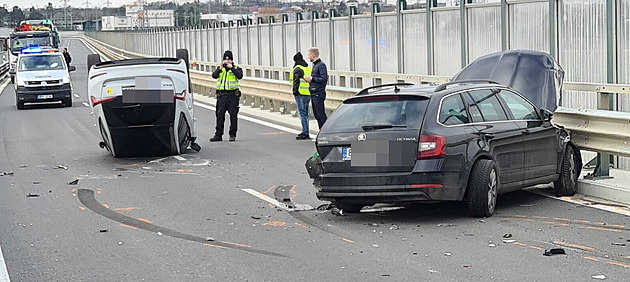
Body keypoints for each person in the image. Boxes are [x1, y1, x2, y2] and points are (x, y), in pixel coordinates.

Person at [210, 50, 243, 142]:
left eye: (229, 60)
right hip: (221, 95)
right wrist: (219, 68)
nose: (227, 61)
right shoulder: (221, 70)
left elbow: (239, 76)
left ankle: (232, 134)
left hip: (232, 96)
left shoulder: (237, 68)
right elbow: (214, 76)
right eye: (226, 60)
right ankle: (218, 135)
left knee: (233, 116)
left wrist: (232, 68)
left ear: (232, 60)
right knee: (219, 115)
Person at [304, 47, 328, 129]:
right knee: (317, 115)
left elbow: (324, 79)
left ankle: (325, 132)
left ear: (313, 55)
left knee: (320, 114)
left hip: (318, 93)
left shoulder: (321, 65)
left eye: (309, 55)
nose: (308, 57)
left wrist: (312, 78)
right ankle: (321, 132)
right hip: (314, 93)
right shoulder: (315, 65)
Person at [291, 52, 312, 140]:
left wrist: (295, 92)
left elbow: (296, 81)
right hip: (308, 93)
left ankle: (305, 132)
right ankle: (306, 131)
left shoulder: (297, 68)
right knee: (306, 114)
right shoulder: (307, 68)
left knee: (302, 114)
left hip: (300, 93)